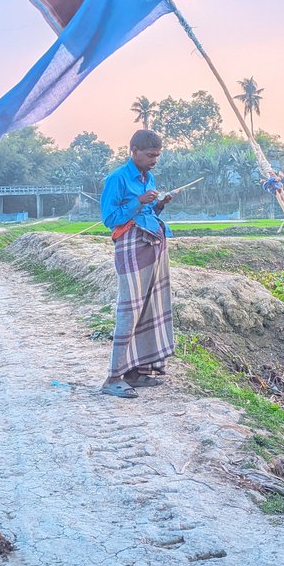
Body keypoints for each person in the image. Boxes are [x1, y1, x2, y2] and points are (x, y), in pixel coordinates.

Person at [99, 129, 177, 399]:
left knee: (149, 307)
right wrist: (137, 201)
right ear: (134, 151)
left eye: (157, 156)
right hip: (130, 246)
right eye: (150, 155)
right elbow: (110, 219)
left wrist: (160, 204)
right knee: (129, 310)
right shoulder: (117, 179)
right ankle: (113, 378)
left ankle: (136, 371)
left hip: (153, 243)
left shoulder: (149, 177)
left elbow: (148, 212)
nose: (154, 160)